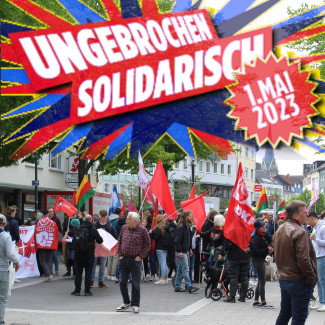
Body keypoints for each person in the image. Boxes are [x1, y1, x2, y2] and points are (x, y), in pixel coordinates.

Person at [274, 200, 317, 324]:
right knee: (299, 316)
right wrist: (311, 277)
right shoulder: (300, 231)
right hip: (298, 279)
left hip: (285, 278)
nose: (307, 215)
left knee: (285, 313)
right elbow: (304, 259)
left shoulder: (281, 228)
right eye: (304, 213)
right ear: (295, 215)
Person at [116, 212, 151, 313]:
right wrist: (120, 254)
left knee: (135, 284)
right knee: (122, 282)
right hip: (124, 259)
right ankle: (126, 302)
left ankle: (135, 305)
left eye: (128, 219)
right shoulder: (124, 228)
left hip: (135, 260)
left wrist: (141, 256)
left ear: (135, 221)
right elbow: (120, 240)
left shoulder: (142, 230)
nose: (126, 220)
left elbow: (148, 244)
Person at [70, 214, 103, 296]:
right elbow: (100, 240)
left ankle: (77, 291)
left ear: (84, 219)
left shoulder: (78, 228)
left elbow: (70, 234)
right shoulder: (93, 229)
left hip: (78, 254)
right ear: (91, 220)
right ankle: (87, 291)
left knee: (78, 272)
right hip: (89, 254)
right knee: (88, 272)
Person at [0, 214, 20, 325]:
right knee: (2, 297)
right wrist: (16, 262)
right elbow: (10, 254)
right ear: (5, 224)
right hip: (2, 269)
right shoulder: (5, 236)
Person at [250, 218, 274, 309]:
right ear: (258, 228)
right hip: (257, 260)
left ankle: (256, 301)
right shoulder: (255, 238)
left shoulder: (263, 235)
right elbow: (256, 251)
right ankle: (263, 302)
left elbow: (269, 240)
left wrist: (270, 246)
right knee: (262, 281)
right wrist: (267, 249)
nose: (265, 227)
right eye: (262, 226)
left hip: (261, 259)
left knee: (260, 281)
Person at [91, 209, 117, 288]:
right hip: (95, 246)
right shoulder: (95, 224)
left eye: (104, 217)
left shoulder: (109, 225)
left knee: (102, 266)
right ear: (100, 216)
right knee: (93, 265)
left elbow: (115, 236)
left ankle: (100, 282)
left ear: (106, 216)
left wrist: (114, 243)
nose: (103, 218)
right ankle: (91, 281)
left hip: (105, 247)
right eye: (102, 217)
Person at [174, 210, 199, 293]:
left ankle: (177, 286)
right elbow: (177, 240)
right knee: (185, 269)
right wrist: (180, 251)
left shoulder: (186, 226)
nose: (192, 217)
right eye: (190, 216)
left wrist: (189, 249)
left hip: (185, 250)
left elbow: (189, 237)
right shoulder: (181, 227)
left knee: (181, 269)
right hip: (182, 252)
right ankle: (189, 286)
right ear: (186, 217)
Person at [307, 211, 325, 312]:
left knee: (322, 280)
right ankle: (321, 301)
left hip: (322, 257)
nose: (307, 222)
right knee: (318, 281)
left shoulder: (323, 227)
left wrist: (316, 239)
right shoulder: (315, 228)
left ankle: (324, 302)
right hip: (316, 257)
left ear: (312, 218)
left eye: (308, 219)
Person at [35, 210, 59, 282]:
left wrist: (37, 242)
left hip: (42, 244)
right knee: (48, 260)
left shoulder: (39, 222)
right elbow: (56, 233)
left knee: (42, 260)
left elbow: (36, 232)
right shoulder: (53, 223)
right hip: (50, 243)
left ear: (43, 215)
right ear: (48, 214)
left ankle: (48, 275)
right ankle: (47, 274)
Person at [224, 238, 250, 303]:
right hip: (245, 256)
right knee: (244, 276)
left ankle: (232, 297)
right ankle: (243, 297)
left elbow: (228, 245)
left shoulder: (231, 231)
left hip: (233, 257)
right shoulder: (246, 230)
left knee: (233, 276)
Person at [149, 214, 170, 284]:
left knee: (162, 263)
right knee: (165, 262)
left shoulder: (158, 228)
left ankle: (162, 278)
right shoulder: (165, 228)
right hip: (165, 247)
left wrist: (151, 233)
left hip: (159, 247)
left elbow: (156, 238)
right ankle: (165, 278)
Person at [49, 207, 62, 276]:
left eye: (51, 211)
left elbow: (60, 229)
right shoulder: (47, 219)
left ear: (53, 212)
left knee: (55, 255)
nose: (50, 212)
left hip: (55, 239)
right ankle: (50, 270)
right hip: (49, 239)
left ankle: (57, 269)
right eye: (49, 211)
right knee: (50, 255)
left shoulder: (56, 219)